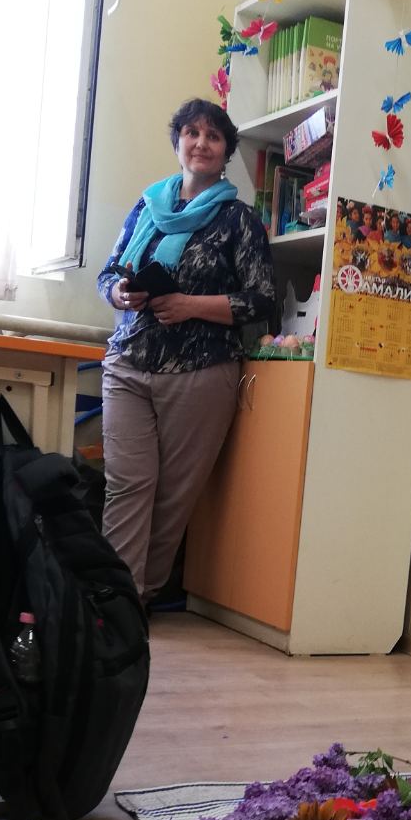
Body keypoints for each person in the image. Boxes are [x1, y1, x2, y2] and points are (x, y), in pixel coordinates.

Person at [96, 98, 279, 602]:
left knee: (172, 496)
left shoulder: (239, 220)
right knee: (126, 485)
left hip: (200, 372)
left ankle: (142, 596)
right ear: (178, 141)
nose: (201, 143)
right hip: (128, 363)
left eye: (213, 136)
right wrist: (120, 293)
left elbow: (261, 299)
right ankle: (114, 599)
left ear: (226, 153)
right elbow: (108, 273)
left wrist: (189, 305)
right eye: (192, 133)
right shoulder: (147, 206)